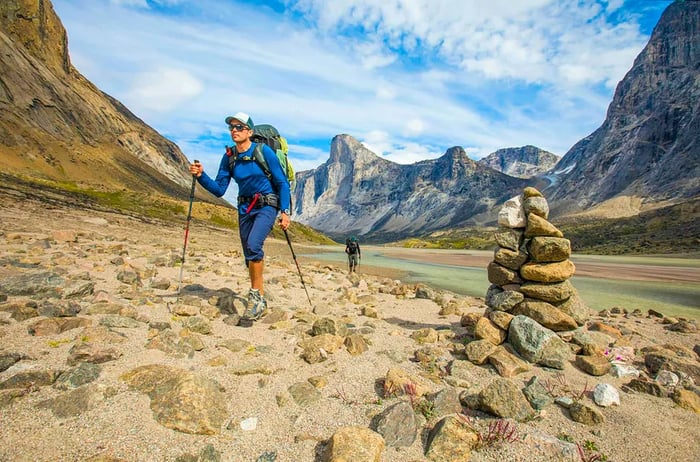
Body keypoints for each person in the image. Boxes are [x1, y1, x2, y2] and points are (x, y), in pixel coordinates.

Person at [189, 111, 291, 322]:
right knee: (249, 255)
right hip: (244, 208)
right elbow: (218, 189)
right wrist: (201, 176)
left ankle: (254, 296)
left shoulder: (264, 152)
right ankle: (260, 297)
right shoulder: (229, 158)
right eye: (231, 127)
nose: (234, 131)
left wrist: (285, 211)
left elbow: (282, 182)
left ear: (249, 132)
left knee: (254, 245)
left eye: (239, 127)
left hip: (266, 205)